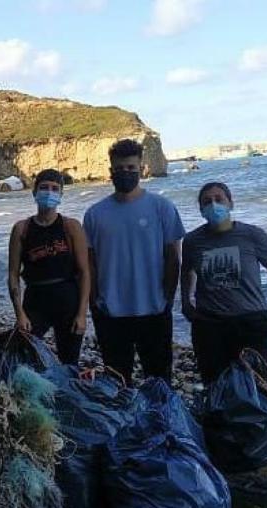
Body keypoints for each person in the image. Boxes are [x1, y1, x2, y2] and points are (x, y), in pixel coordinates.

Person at [83, 138, 184, 383]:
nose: (125, 173)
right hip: (111, 313)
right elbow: (90, 264)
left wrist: (168, 299)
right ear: (111, 171)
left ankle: (161, 421)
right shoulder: (95, 214)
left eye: (130, 168)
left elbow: (173, 258)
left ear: (141, 168)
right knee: (117, 379)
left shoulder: (162, 208)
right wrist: (95, 302)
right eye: (119, 168)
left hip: (154, 309)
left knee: (159, 379)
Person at [181, 181, 267, 384]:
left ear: (230, 203)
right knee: (214, 383)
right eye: (207, 202)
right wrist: (186, 302)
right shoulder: (193, 241)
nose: (213, 205)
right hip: (210, 324)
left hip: (251, 322)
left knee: (255, 383)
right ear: (201, 210)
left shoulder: (252, 235)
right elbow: (186, 270)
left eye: (219, 199)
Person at [7, 169, 91, 365]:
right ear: (34, 192)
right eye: (44, 188)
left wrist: (82, 314)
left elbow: (85, 272)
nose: (49, 192)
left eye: (55, 189)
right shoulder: (22, 229)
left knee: (70, 361)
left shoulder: (70, 226)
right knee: (23, 357)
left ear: (61, 194)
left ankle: (67, 394)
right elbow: (12, 275)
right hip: (35, 299)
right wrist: (19, 313)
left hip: (67, 298)